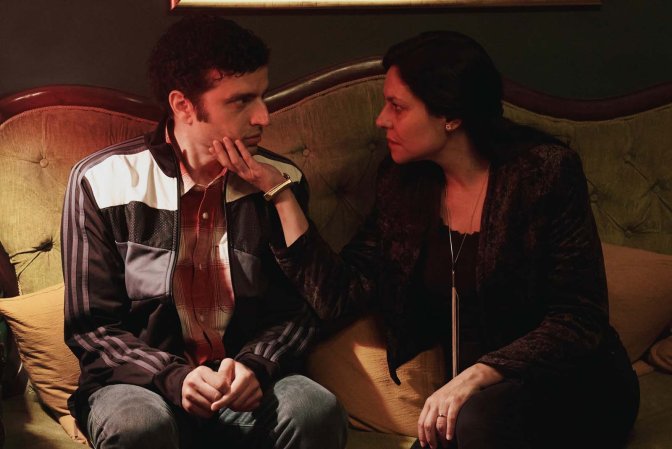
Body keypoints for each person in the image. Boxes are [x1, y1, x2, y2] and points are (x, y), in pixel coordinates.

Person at [210, 31, 640, 449]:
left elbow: (579, 317)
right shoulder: (403, 185)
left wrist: (481, 372)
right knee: (457, 428)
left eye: (397, 106)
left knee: (475, 422)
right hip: (470, 404)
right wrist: (280, 193)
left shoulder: (543, 174)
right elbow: (340, 295)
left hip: (573, 384)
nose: (382, 119)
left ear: (450, 115)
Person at [61, 15, 347, 449]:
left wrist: (257, 364)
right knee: (139, 426)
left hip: (245, 380)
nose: (264, 116)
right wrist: (173, 377)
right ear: (183, 106)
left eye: (262, 95)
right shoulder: (100, 181)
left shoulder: (280, 180)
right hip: (140, 384)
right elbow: (92, 328)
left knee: (314, 410)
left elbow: (302, 309)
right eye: (241, 101)